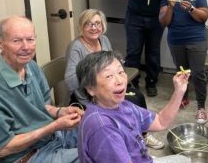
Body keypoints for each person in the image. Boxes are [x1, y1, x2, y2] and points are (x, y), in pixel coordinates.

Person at [76, 51, 208, 163]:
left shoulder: (122, 105)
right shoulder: (101, 127)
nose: (120, 80)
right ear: (90, 89)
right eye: (109, 76)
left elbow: (161, 122)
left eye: (121, 72)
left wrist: (179, 91)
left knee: (185, 162)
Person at [0, 16, 88, 163]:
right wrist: (54, 126)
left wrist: (59, 111)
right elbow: (2, 150)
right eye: (16, 41)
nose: (26, 47)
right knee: (104, 154)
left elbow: (41, 107)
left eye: (30, 39)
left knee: (102, 129)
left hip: (50, 140)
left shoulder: (31, 67)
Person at [65, 9, 164, 150]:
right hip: (88, 95)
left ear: (103, 25)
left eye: (97, 23)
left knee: (138, 96)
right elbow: (70, 79)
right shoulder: (76, 47)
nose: (94, 28)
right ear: (81, 27)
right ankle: (127, 140)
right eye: (88, 24)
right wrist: (90, 98)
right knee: (130, 102)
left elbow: (110, 62)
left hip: (108, 89)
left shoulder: (103, 40)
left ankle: (142, 134)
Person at [118, 0, 174, 97]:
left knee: (153, 53)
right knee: (133, 52)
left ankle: (151, 82)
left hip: (156, 20)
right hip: (135, 19)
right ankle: (132, 83)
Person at [159, 0, 208, 124]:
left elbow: (204, 17)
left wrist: (191, 9)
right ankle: (183, 97)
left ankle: (201, 107)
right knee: (182, 72)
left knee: (198, 73)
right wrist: (171, 7)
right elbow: (164, 21)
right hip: (176, 40)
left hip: (196, 39)